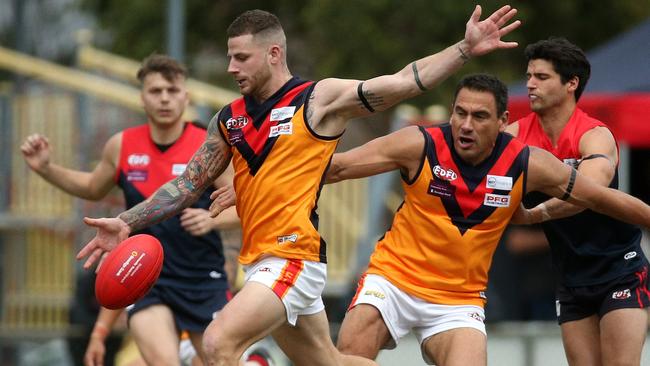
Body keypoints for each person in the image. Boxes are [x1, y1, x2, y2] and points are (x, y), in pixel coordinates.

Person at [75, 6, 522, 366]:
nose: (230, 67)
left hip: (294, 257)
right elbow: (186, 186)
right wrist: (126, 221)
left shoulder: (317, 99)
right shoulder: (229, 119)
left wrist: (464, 49)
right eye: (229, 57)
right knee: (332, 361)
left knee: (216, 345)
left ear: (273, 54)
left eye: (240, 57)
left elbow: (404, 82)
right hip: (259, 262)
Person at [322, 73, 650, 366]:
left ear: (502, 121)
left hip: (457, 300)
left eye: (479, 116)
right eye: (460, 113)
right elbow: (336, 168)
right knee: (349, 355)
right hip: (392, 281)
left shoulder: (527, 162)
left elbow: (599, 197)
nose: (466, 125)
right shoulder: (419, 144)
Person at [20, 54, 241, 366]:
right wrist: (46, 169)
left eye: (172, 90)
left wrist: (211, 220)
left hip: (203, 279)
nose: (164, 98)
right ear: (142, 98)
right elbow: (91, 186)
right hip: (147, 278)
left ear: (185, 96)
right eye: (155, 91)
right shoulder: (122, 145)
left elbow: (242, 205)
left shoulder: (207, 148)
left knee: (221, 360)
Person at [506, 37, 650, 366]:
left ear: (571, 83)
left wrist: (534, 215)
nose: (529, 84)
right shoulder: (515, 136)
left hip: (620, 270)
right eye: (528, 76)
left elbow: (588, 192)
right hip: (570, 278)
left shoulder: (594, 134)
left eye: (541, 77)